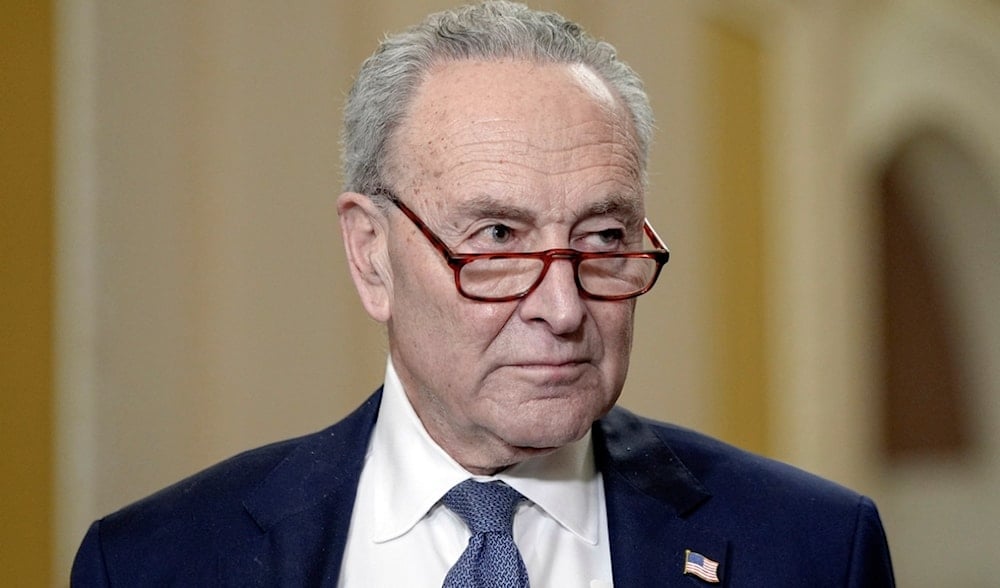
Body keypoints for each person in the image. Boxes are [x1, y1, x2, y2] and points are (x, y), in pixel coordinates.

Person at [71, 2, 895, 586]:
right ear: (372, 256)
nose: (564, 308)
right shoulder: (159, 561)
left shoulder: (812, 549)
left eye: (604, 238)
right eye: (497, 238)